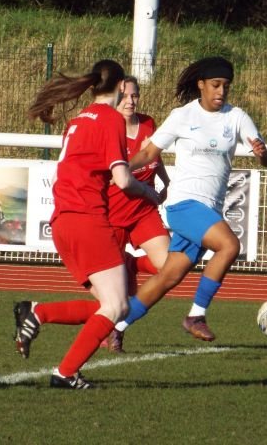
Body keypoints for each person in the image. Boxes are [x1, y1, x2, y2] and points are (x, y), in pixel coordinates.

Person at [108, 56, 267, 351]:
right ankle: (195, 316)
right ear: (201, 85)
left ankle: (116, 328)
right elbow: (148, 154)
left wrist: (263, 154)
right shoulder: (182, 116)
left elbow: (266, 157)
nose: (221, 91)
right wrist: (119, 169)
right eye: (215, 85)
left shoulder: (236, 117)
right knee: (230, 246)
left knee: (168, 276)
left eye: (225, 86)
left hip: (208, 210)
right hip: (183, 205)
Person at [13, 59, 159, 389]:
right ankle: (65, 373)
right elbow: (122, 179)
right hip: (88, 218)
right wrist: (150, 194)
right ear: (121, 87)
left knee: (107, 307)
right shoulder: (111, 119)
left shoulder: (76, 121)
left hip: (63, 220)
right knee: (117, 306)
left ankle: (37, 313)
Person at [104, 76, 171, 353]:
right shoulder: (107, 128)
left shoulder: (149, 124)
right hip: (113, 214)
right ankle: (112, 334)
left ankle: (132, 265)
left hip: (144, 210)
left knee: (169, 266)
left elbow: (155, 157)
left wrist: (166, 180)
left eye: (135, 95)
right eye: (125, 96)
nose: (130, 101)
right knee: (114, 295)